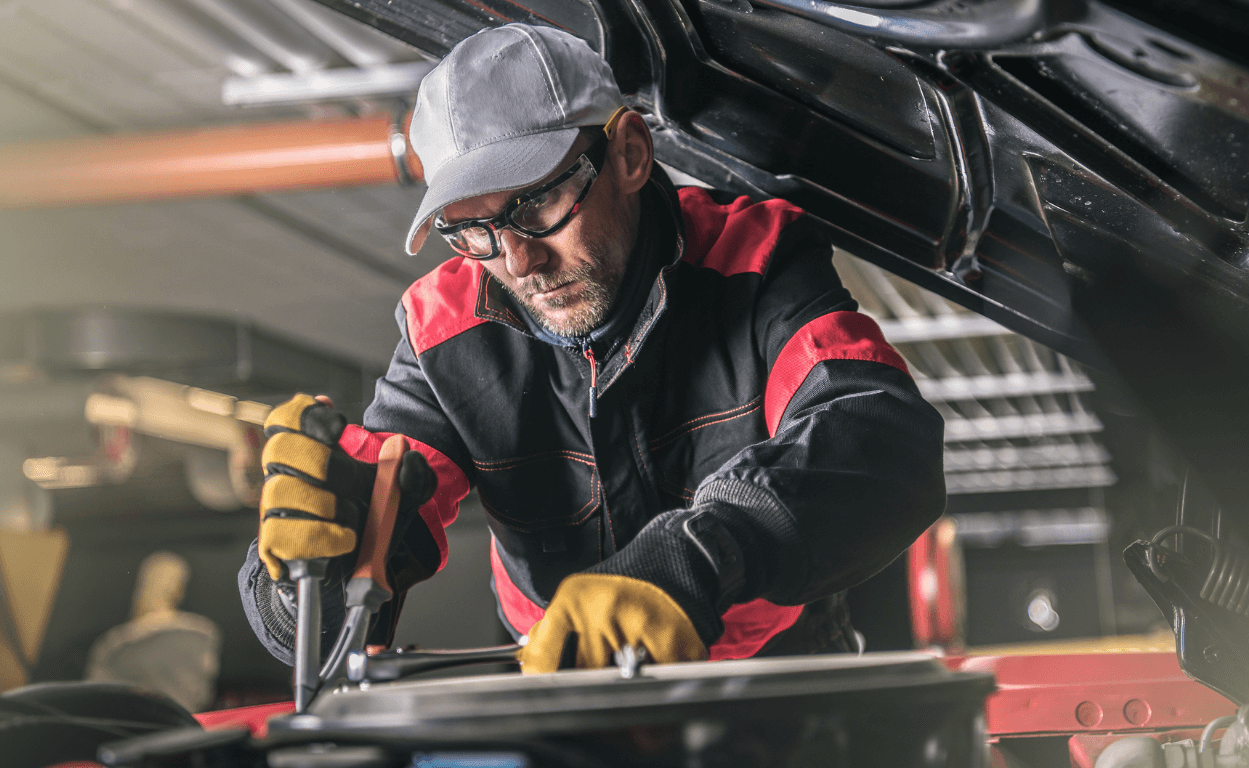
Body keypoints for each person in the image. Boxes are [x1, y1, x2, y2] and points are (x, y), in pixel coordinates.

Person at [239, 23, 945, 674]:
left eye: (536, 205)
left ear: (629, 154)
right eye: (473, 231)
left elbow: (876, 433)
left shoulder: (755, 261)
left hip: (767, 664)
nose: (518, 262)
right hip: (558, 668)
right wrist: (310, 576)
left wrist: (696, 558)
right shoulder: (441, 329)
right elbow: (373, 537)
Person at [88, 551, 220, 712]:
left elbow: (200, 694)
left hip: (171, 720)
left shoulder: (197, 634)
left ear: (179, 590)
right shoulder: (113, 644)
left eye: (168, 581)